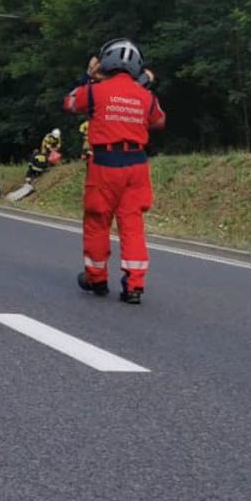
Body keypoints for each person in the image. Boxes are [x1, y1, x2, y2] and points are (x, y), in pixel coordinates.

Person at [63, 38, 165, 304]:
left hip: (105, 164)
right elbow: (159, 119)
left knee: (98, 222)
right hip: (137, 164)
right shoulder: (146, 96)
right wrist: (140, 88)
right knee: (132, 225)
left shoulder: (95, 91)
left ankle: (96, 279)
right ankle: (134, 285)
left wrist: (88, 76)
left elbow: (70, 103)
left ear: (104, 61)